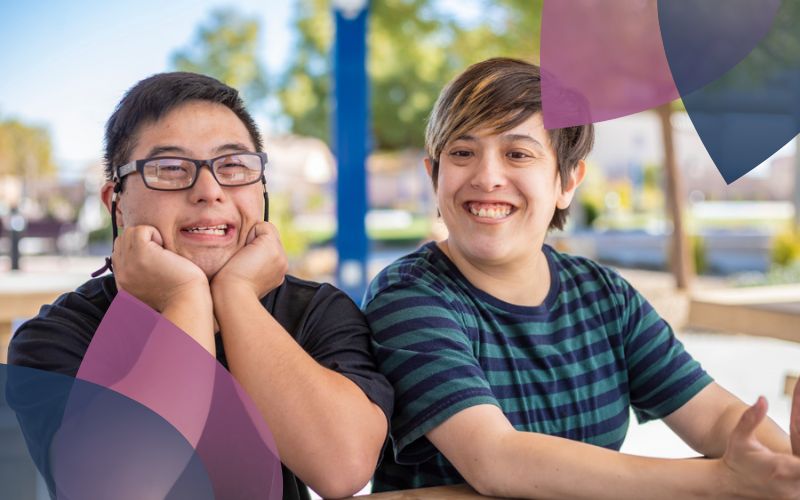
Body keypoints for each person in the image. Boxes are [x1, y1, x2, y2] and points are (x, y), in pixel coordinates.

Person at [363, 58, 800, 498]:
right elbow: (496, 460)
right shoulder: (408, 296)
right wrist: (720, 483)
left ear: (567, 181)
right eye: (461, 153)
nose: (487, 177)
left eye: (517, 154)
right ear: (433, 175)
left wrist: (785, 466)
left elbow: (716, 418)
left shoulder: (604, 296)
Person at [8, 72, 393, 499]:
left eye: (233, 166)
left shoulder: (316, 311)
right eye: (170, 168)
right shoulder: (57, 335)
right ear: (116, 205)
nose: (209, 190)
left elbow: (342, 469)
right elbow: (116, 488)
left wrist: (236, 295)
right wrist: (185, 297)